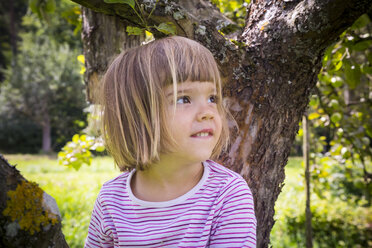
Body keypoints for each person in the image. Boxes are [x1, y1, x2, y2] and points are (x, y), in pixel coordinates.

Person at [85, 36, 257, 248]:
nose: (207, 113)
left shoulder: (227, 195)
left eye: (212, 98)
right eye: (183, 99)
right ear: (138, 116)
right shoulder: (111, 200)